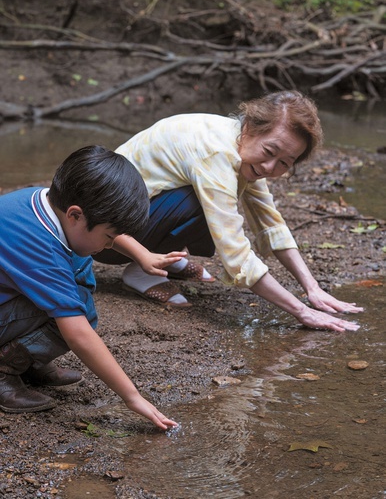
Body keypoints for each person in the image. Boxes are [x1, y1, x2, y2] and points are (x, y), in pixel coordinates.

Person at [94, 90, 363, 332]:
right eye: (269, 151)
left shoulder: (241, 148)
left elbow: (270, 223)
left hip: (132, 218)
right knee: (202, 202)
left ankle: (164, 253)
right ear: (249, 127)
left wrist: (312, 287)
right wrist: (303, 312)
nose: (270, 167)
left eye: (284, 162)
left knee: (213, 197)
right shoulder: (217, 155)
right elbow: (236, 253)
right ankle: (142, 269)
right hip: (104, 238)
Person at [0, 145, 180, 430]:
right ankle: (5, 367)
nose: (110, 245)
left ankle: (27, 360)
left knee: (79, 273)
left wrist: (142, 255)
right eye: (108, 238)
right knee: (79, 311)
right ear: (74, 215)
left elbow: (100, 224)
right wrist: (133, 398)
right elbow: (79, 335)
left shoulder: (42, 201)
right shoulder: (39, 247)